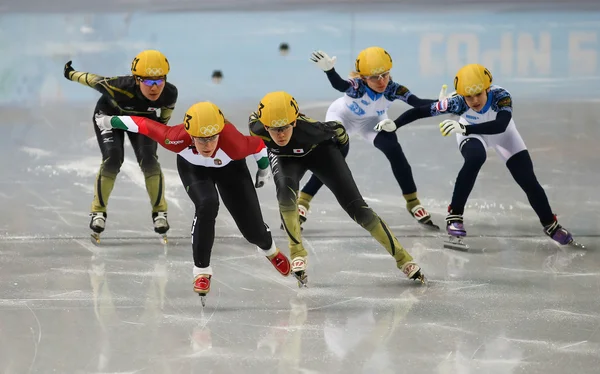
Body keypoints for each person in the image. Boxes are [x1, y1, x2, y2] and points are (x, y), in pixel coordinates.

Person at [95, 101, 292, 304]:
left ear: (220, 133)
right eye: (201, 140)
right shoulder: (174, 138)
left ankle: (269, 250)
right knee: (207, 204)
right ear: (190, 135)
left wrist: (263, 170)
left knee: (254, 232)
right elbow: (141, 124)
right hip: (194, 169)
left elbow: (259, 146)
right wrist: (109, 121)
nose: (207, 145)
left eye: (212, 138)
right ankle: (201, 270)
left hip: (230, 168)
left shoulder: (234, 144)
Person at [374, 63, 584, 250]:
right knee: (475, 158)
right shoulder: (456, 102)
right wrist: (396, 124)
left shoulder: (501, 95)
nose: (474, 101)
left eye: (478, 95)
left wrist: (464, 129)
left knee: (528, 180)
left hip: (503, 135)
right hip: (472, 134)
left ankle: (550, 224)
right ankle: (454, 215)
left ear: (487, 89)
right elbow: (420, 111)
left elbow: (501, 125)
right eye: (468, 96)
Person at [248, 91, 426, 287]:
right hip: (286, 160)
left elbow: (342, 139)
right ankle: (297, 252)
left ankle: (404, 258)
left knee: (357, 208)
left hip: (321, 154)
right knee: (284, 192)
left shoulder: (315, 130)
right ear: (265, 126)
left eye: (285, 127)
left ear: (295, 122)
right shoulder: (256, 127)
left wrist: (336, 164)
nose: (280, 134)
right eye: (274, 129)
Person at [292, 47, 439, 230]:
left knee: (394, 150)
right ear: (363, 78)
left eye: (384, 75)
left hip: (372, 122)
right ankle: (304, 201)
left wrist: (441, 103)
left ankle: (413, 202)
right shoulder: (357, 87)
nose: (381, 81)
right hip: (342, 118)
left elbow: (416, 102)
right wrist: (330, 71)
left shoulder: (393, 89)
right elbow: (340, 85)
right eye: (374, 77)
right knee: (334, 157)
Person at [63, 50, 178, 243]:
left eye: (159, 80)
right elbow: (93, 80)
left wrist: (159, 134)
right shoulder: (118, 87)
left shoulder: (169, 93)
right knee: (113, 158)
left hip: (142, 119)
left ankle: (160, 213)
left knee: (149, 160)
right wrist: (70, 73)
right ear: (136, 79)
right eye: (148, 82)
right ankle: (98, 212)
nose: (154, 87)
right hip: (109, 116)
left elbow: (163, 122)